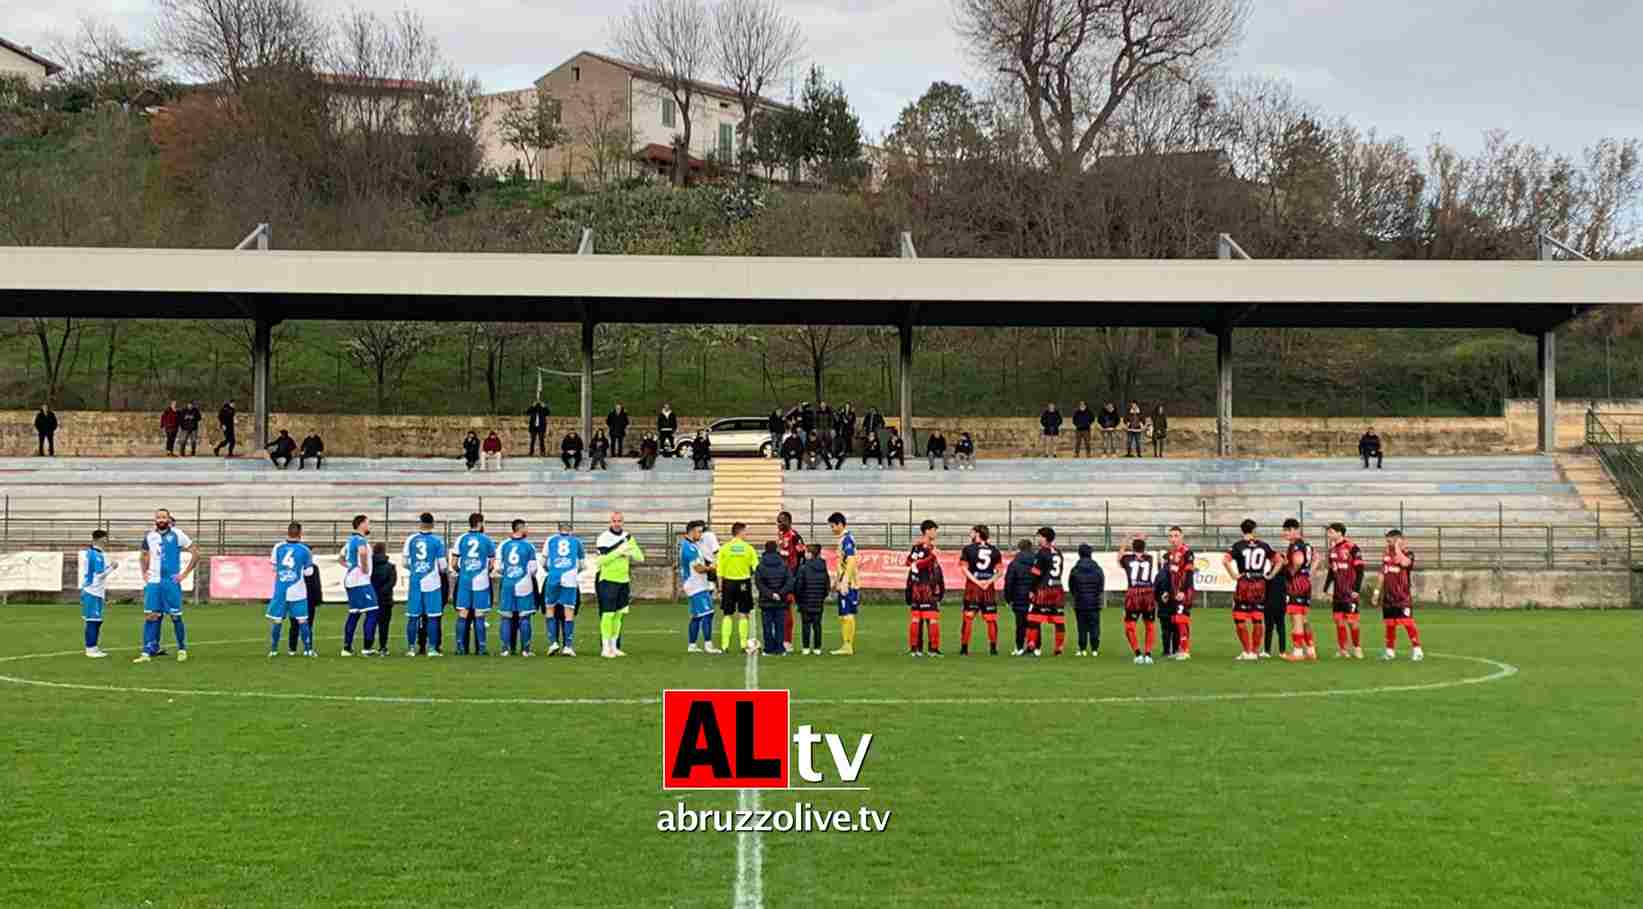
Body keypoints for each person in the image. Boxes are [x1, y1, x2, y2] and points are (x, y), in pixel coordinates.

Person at [133, 508, 198, 663]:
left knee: (175, 616)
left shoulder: (178, 534)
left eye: (164, 517)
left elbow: (196, 553)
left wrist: (184, 574)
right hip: (154, 582)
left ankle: (182, 649)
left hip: (170, 582)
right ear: (155, 520)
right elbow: (143, 555)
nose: (161, 519)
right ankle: (146, 651)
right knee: (151, 616)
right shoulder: (150, 536)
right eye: (158, 517)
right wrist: (144, 572)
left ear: (169, 519)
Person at [1224, 519, 1277, 661]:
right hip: (1259, 583)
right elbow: (1279, 560)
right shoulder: (1263, 545)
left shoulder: (1238, 545)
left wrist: (1234, 575)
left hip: (1244, 583)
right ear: (1254, 530)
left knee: (1239, 617)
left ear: (1242, 530)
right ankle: (1254, 651)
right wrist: (1270, 574)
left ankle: (1246, 651)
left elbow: (1225, 560)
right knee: (1257, 618)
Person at [595, 512, 645, 658]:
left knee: (619, 615)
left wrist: (629, 553)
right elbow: (601, 561)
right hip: (608, 580)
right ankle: (605, 648)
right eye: (614, 521)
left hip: (624, 581)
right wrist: (619, 551)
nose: (617, 523)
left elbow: (640, 557)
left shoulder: (628, 537)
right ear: (610, 522)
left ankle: (614, 646)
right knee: (608, 614)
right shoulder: (603, 537)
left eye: (619, 521)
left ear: (623, 522)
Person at [401, 512, 448, 657]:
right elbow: (443, 566)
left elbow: (405, 562)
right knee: (433, 616)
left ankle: (411, 648)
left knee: (413, 616)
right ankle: (432, 648)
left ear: (420, 523)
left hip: (415, 581)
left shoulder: (411, 539)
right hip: (432, 582)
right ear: (433, 524)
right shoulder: (437, 541)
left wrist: (416, 569)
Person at [267, 522, 317, 657]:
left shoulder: (278, 547)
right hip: (297, 591)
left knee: (277, 620)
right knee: (302, 620)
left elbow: (273, 567)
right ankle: (307, 650)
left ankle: (273, 650)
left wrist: (284, 572)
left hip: (281, 590)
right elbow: (309, 572)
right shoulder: (305, 549)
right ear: (300, 533)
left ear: (288, 532)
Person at [452, 512, 496, 656]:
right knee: (479, 614)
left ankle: (460, 648)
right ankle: (482, 649)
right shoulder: (487, 540)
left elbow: (453, 564)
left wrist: (463, 571)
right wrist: (483, 571)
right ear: (480, 523)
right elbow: (491, 564)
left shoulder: (461, 539)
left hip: (465, 580)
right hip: (481, 581)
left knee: (463, 613)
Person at [958, 524, 1003, 656]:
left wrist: (977, 581)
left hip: (973, 587)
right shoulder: (994, 550)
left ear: (977, 533)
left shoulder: (968, 549)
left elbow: (964, 569)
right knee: (991, 619)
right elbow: (1000, 572)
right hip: (988, 587)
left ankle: (964, 649)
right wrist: (988, 581)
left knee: (968, 618)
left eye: (972, 532)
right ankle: (993, 649)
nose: (970, 534)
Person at [497, 520, 539, 657]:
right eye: (526, 527)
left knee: (506, 617)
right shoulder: (529, 546)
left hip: (507, 584)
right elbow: (533, 569)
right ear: (520, 528)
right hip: (524, 583)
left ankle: (505, 649)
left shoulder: (503, 545)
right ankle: (526, 650)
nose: (528, 530)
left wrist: (510, 573)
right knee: (524, 616)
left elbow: (499, 568)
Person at [715, 522, 759, 655]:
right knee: (743, 613)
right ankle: (743, 644)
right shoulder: (748, 548)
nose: (746, 534)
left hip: (728, 583)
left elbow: (719, 571)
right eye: (745, 531)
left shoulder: (724, 548)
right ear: (740, 532)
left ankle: (724, 645)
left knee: (727, 614)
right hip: (743, 583)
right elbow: (756, 567)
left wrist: (720, 588)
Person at [1378, 530, 1422, 661]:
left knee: (1408, 623)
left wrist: (1397, 547)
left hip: (1402, 597)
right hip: (1388, 597)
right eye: (1387, 541)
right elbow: (1382, 572)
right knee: (1390, 624)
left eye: (1390, 540)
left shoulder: (1409, 554)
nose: (1388, 543)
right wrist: (1376, 591)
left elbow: (1404, 563)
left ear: (1399, 539)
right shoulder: (1386, 554)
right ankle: (1390, 651)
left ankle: (1417, 650)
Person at [338, 515, 379, 656]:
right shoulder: (360, 540)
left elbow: (340, 558)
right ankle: (367, 648)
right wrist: (365, 569)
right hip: (360, 580)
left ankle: (347, 648)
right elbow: (362, 553)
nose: (369, 526)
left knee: (354, 612)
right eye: (368, 523)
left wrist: (350, 566)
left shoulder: (350, 541)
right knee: (373, 611)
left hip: (351, 579)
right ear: (361, 524)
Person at [543, 522, 586, 656]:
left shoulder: (550, 540)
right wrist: (573, 572)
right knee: (569, 610)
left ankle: (553, 643)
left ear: (558, 530)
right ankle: (567, 646)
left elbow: (543, 562)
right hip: (570, 577)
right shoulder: (577, 541)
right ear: (571, 531)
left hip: (553, 576)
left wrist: (551, 571)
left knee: (550, 608)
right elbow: (583, 565)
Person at [1324, 523, 1366, 659]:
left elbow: (1360, 570)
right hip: (1338, 592)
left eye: (1330, 532)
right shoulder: (1331, 550)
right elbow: (1331, 571)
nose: (1328, 535)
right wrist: (1326, 588)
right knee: (1339, 620)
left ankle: (1357, 648)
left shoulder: (1352, 548)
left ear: (1339, 533)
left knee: (1352, 621)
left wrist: (1356, 589)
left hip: (1350, 592)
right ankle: (1343, 649)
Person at [679, 522, 720, 653]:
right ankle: (708, 645)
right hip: (695, 585)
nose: (701, 535)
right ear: (691, 531)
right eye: (699, 532)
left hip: (697, 584)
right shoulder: (688, 547)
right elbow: (698, 568)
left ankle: (692, 645)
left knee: (697, 616)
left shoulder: (692, 545)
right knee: (708, 613)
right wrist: (712, 568)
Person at [905, 520, 944, 657]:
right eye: (934, 530)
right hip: (927, 586)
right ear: (927, 531)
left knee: (916, 618)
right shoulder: (928, 549)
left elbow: (909, 562)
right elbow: (916, 564)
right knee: (932, 618)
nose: (935, 533)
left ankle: (915, 649)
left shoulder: (917, 547)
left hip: (916, 586)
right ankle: (933, 649)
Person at [1025, 527, 1067, 656]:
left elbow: (1036, 573)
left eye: (1040, 537)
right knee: (1058, 620)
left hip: (1044, 590)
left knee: (1033, 618)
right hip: (1057, 589)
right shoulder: (1058, 552)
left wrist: (1032, 589)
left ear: (1044, 538)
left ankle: (1031, 644)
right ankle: (1059, 647)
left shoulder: (1042, 553)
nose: (1038, 539)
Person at [79, 530, 118, 657]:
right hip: (92, 591)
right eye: (105, 539)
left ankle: (94, 647)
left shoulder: (93, 553)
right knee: (92, 620)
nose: (107, 541)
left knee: (97, 620)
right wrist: (112, 567)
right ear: (101, 539)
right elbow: (99, 575)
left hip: (95, 591)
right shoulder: (96, 555)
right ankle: (90, 649)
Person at [1117, 538, 1157, 664]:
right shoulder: (1150, 558)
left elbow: (1119, 558)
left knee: (1130, 625)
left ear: (1132, 548)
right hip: (1148, 593)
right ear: (1144, 548)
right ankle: (1148, 654)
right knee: (1149, 625)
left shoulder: (1127, 559)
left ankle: (1138, 653)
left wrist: (1124, 544)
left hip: (1134, 593)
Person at [1161, 526, 1196, 660]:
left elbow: (1189, 573)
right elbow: (1171, 575)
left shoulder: (1187, 552)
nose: (1173, 539)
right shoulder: (1170, 553)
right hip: (1174, 591)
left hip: (1184, 591)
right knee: (1177, 620)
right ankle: (1181, 649)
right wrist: (1167, 591)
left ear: (1182, 537)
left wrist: (1182, 591)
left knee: (1182, 619)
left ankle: (1185, 650)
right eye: (1171, 536)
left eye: (1176, 536)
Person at [829, 513, 860, 656]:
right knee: (845, 615)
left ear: (840, 524)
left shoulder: (847, 539)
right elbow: (842, 562)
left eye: (833, 526)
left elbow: (851, 560)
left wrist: (845, 581)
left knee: (846, 614)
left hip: (849, 583)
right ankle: (847, 645)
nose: (832, 529)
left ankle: (847, 646)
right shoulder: (843, 539)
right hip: (846, 580)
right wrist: (837, 579)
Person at [755, 541, 794, 656]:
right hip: (781, 601)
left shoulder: (761, 565)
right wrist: (780, 594)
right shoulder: (783, 563)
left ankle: (768, 648)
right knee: (780, 626)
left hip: (766, 600)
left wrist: (770, 594)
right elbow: (789, 581)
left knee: (767, 626)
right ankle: (780, 648)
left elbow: (759, 583)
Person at [792, 543, 830, 655]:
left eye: (806, 552)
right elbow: (826, 585)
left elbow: (798, 586)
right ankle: (817, 648)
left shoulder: (803, 568)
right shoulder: (823, 568)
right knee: (817, 625)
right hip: (818, 601)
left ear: (810, 554)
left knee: (806, 625)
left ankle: (806, 647)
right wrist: (821, 597)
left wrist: (799, 599)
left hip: (805, 601)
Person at [1068, 543, 1104, 657]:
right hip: (1094, 601)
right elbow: (1101, 586)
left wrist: (1077, 595)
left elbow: (1071, 586)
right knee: (1094, 625)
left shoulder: (1075, 569)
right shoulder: (1097, 569)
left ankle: (1082, 648)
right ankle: (1094, 649)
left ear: (1079, 554)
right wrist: (1096, 595)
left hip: (1080, 601)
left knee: (1081, 626)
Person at [775, 512, 804, 650]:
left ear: (789, 522)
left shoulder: (794, 536)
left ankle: (788, 641)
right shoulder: (780, 536)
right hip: (779, 577)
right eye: (778, 522)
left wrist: (796, 575)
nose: (780, 524)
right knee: (778, 608)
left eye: (782, 521)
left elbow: (802, 555)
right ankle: (779, 638)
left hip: (791, 577)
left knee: (787, 609)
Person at [1003, 539, 1036, 655]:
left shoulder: (1014, 563)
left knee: (1020, 623)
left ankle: (1019, 647)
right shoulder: (1037, 562)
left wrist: (1008, 598)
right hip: (1034, 596)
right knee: (1034, 622)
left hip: (1019, 596)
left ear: (1019, 548)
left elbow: (1009, 582)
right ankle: (1035, 647)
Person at [1262, 531, 1289, 659]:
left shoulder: (1269, 575)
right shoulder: (1286, 575)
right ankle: (1282, 652)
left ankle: (1267, 651)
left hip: (1269, 604)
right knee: (1281, 627)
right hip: (1281, 604)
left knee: (1269, 628)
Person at [369, 541, 396, 656]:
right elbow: (392, 582)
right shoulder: (390, 566)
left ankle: (368, 646)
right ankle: (383, 647)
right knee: (384, 624)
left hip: (371, 599)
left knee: (371, 622)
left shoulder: (370, 566)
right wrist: (384, 592)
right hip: (386, 599)